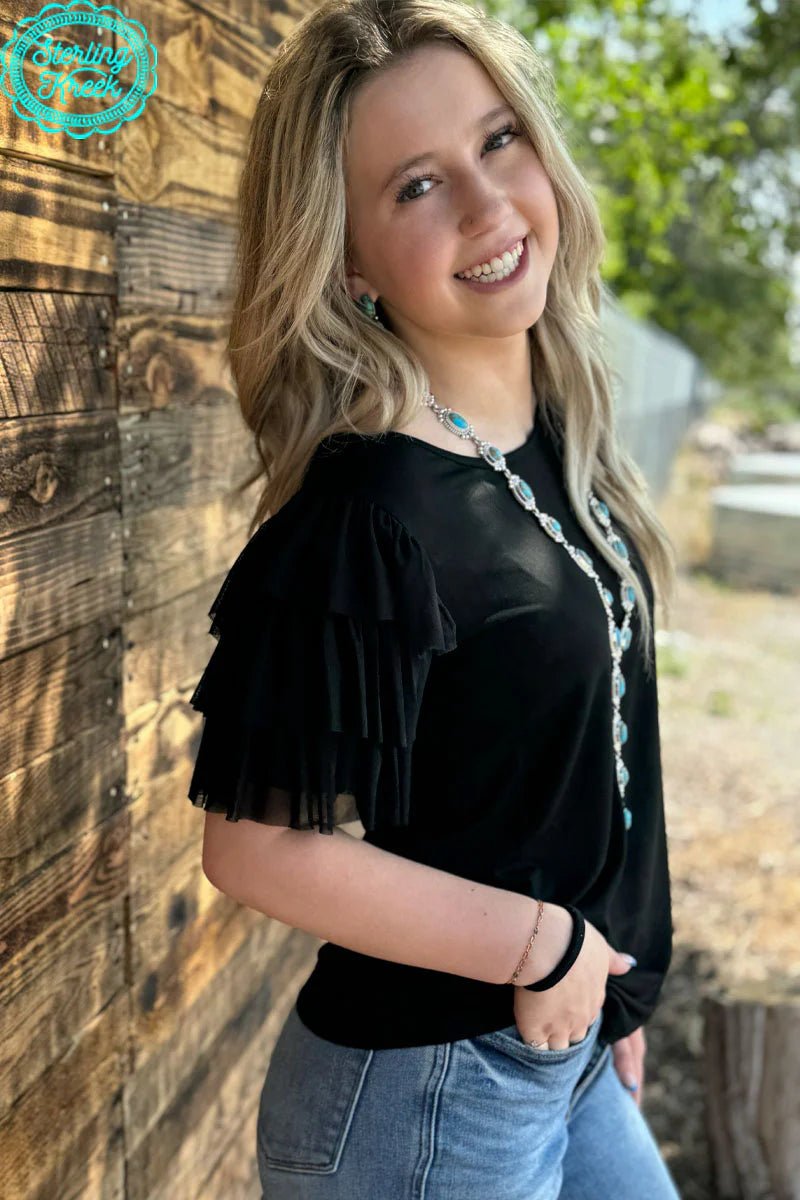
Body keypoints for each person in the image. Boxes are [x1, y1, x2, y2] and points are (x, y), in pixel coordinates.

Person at [187, 0, 683, 1195]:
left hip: (562, 1052)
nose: (485, 205)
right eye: (416, 185)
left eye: (497, 141)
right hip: (422, 1103)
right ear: (348, 259)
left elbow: (572, 762)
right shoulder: (366, 513)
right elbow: (253, 849)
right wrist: (543, 945)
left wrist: (607, 980)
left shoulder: (554, 439)